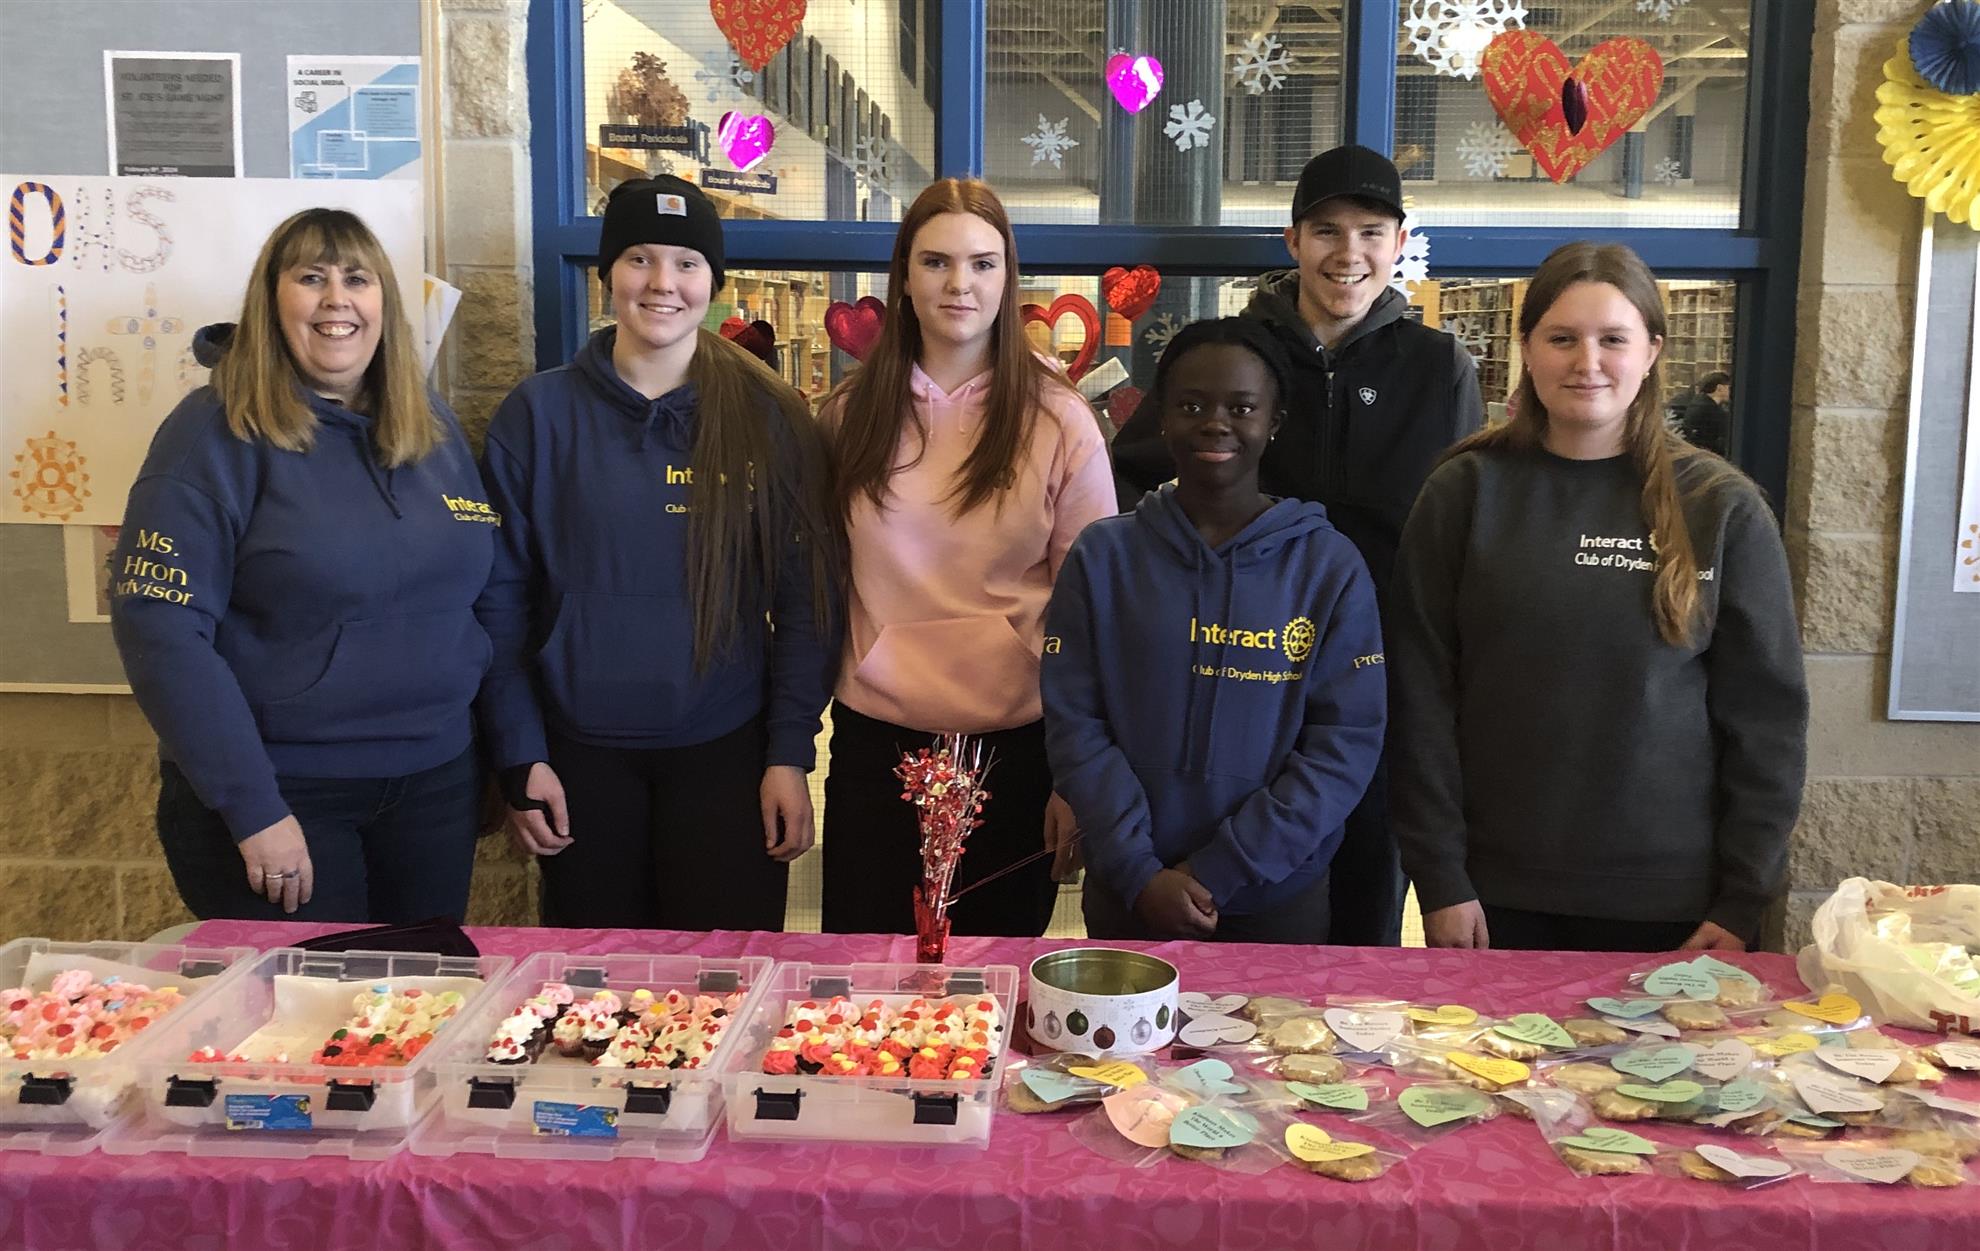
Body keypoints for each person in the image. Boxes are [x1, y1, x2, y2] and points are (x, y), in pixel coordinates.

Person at [1112, 143, 1484, 947]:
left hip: (1376, 689)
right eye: (1326, 231)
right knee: (1237, 907)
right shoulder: (1239, 352)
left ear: (1399, 242)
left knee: (1362, 919)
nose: (1349, 253)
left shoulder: (1439, 367)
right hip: (1243, 679)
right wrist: (1175, 601)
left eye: (1371, 232)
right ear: (1293, 241)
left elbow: (1460, 528)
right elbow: (1130, 476)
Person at [1388, 243, 1807, 954]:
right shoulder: (1464, 492)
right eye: (1562, 338)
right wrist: (1440, 877)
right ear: (1527, 349)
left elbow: (1766, 721)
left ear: (1651, 351)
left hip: (1676, 905)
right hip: (1495, 895)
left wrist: (1743, 900)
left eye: (1613, 339)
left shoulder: (1720, 506)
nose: (1588, 362)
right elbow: (1419, 696)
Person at [476, 176, 841, 931]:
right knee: (593, 989)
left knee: (727, 981)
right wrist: (519, 752)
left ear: (713, 281)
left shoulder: (767, 418)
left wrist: (789, 754)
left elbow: (804, 601)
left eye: (686, 263)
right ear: (608, 273)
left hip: (728, 755)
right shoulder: (538, 416)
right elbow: (498, 601)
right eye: (639, 258)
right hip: (578, 758)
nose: (662, 283)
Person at [111, 208, 491, 921]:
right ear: (271, 301)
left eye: (357, 280)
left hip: (433, 782)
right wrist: (252, 807)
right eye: (312, 278)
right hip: (287, 792)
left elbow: (479, 596)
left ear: (385, 303)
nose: (336, 300)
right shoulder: (213, 434)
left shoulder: (429, 425)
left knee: (425, 986)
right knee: (308, 994)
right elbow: (160, 631)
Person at [819, 177, 1115, 938]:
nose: (961, 284)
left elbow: (1093, 610)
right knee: (867, 971)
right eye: (936, 262)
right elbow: (814, 583)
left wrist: (1078, 774)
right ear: (904, 277)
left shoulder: (1061, 420)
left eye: (983, 263)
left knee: (992, 976)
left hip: (1019, 749)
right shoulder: (847, 418)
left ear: (1008, 277)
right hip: (877, 742)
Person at [1043, 318, 1386, 941]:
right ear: (1162, 417)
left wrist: (1222, 868)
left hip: (1277, 898)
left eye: (1242, 408)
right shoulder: (1103, 557)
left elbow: (1345, 742)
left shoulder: (1328, 567)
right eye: (1192, 406)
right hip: (1130, 891)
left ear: (1275, 421)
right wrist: (1139, 871)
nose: (1215, 423)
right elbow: (1075, 723)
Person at [1678, 370, 1732, 456]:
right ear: (1720, 388)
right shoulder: (1711, 410)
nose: (1731, 392)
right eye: (1729, 388)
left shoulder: (1698, 402)